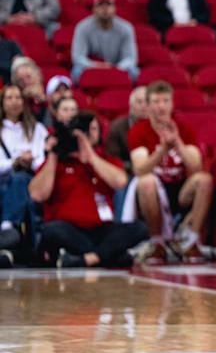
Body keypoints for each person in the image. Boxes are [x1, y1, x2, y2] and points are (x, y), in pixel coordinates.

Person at [32, 111, 145, 267]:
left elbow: (120, 181)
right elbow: (37, 194)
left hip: (102, 229)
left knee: (140, 228)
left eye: (93, 129)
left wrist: (91, 157)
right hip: (68, 229)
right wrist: (52, 154)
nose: (88, 134)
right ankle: (108, 255)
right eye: (85, 130)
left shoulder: (106, 160)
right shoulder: (58, 163)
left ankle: (88, 258)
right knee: (51, 231)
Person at [128, 81, 212, 263]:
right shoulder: (138, 130)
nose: (161, 106)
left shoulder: (184, 127)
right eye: (156, 102)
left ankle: (192, 242)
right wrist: (162, 150)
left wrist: (177, 143)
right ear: (148, 105)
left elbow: (196, 166)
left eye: (165, 101)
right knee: (147, 181)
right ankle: (157, 244)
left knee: (204, 180)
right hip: (155, 192)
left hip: (181, 189)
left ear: (172, 103)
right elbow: (140, 169)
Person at [0, 86, 48, 252]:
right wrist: (14, 162)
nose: (14, 102)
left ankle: (7, 226)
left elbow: (42, 159)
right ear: (2, 102)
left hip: (30, 180)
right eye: (9, 98)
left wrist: (30, 162)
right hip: (3, 180)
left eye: (18, 98)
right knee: (12, 183)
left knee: (20, 180)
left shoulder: (37, 129)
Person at [71, 0, 138, 83]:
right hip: (92, 68)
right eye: (100, 4)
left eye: (108, 4)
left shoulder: (126, 28)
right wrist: (96, 65)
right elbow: (77, 57)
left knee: (134, 72)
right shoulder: (82, 27)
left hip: (117, 67)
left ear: (115, 8)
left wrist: (117, 68)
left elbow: (131, 58)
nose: (105, 8)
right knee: (76, 72)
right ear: (94, 9)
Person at [106, 86, 148, 175]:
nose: (144, 105)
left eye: (147, 101)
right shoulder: (117, 127)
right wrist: (136, 168)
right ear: (131, 105)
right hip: (126, 173)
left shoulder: (159, 126)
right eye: (139, 102)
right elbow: (113, 159)